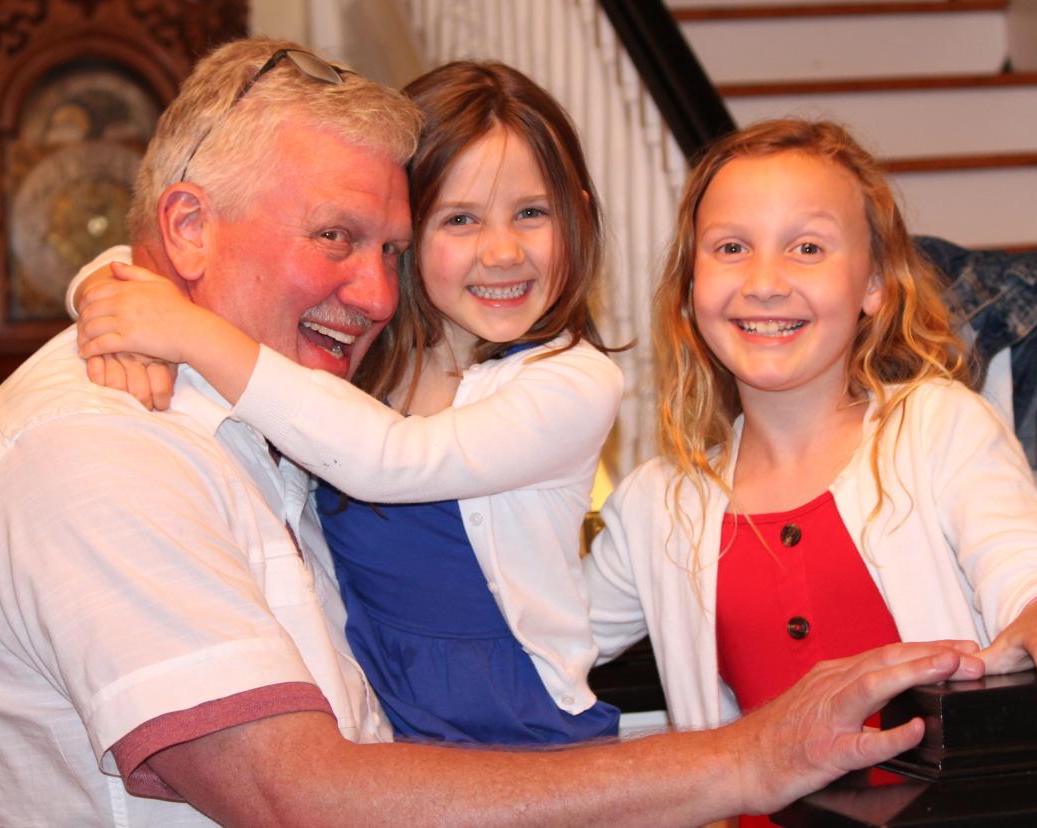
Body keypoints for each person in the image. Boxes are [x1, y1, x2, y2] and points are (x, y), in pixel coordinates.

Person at [0, 41, 985, 826]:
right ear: (188, 230)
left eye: (389, 248)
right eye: (338, 237)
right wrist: (738, 756)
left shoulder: (263, 399)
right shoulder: (104, 449)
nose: (375, 292)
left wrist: (134, 296)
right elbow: (293, 794)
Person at [583, 119, 1037, 823]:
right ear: (691, 289)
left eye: (807, 247)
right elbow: (546, 644)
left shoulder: (937, 425)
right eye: (730, 248)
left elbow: (1015, 551)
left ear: (875, 282)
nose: (765, 282)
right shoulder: (659, 504)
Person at [72, 60, 624, 746]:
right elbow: (145, 251)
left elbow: (391, 461)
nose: (504, 250)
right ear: (409, 234)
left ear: (578, 211)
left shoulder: (572, 382)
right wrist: (102, 290)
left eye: (533, 213)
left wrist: (188, 332)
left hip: (523, 727)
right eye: (460, 219)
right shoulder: (367, 357)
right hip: (390, 735)